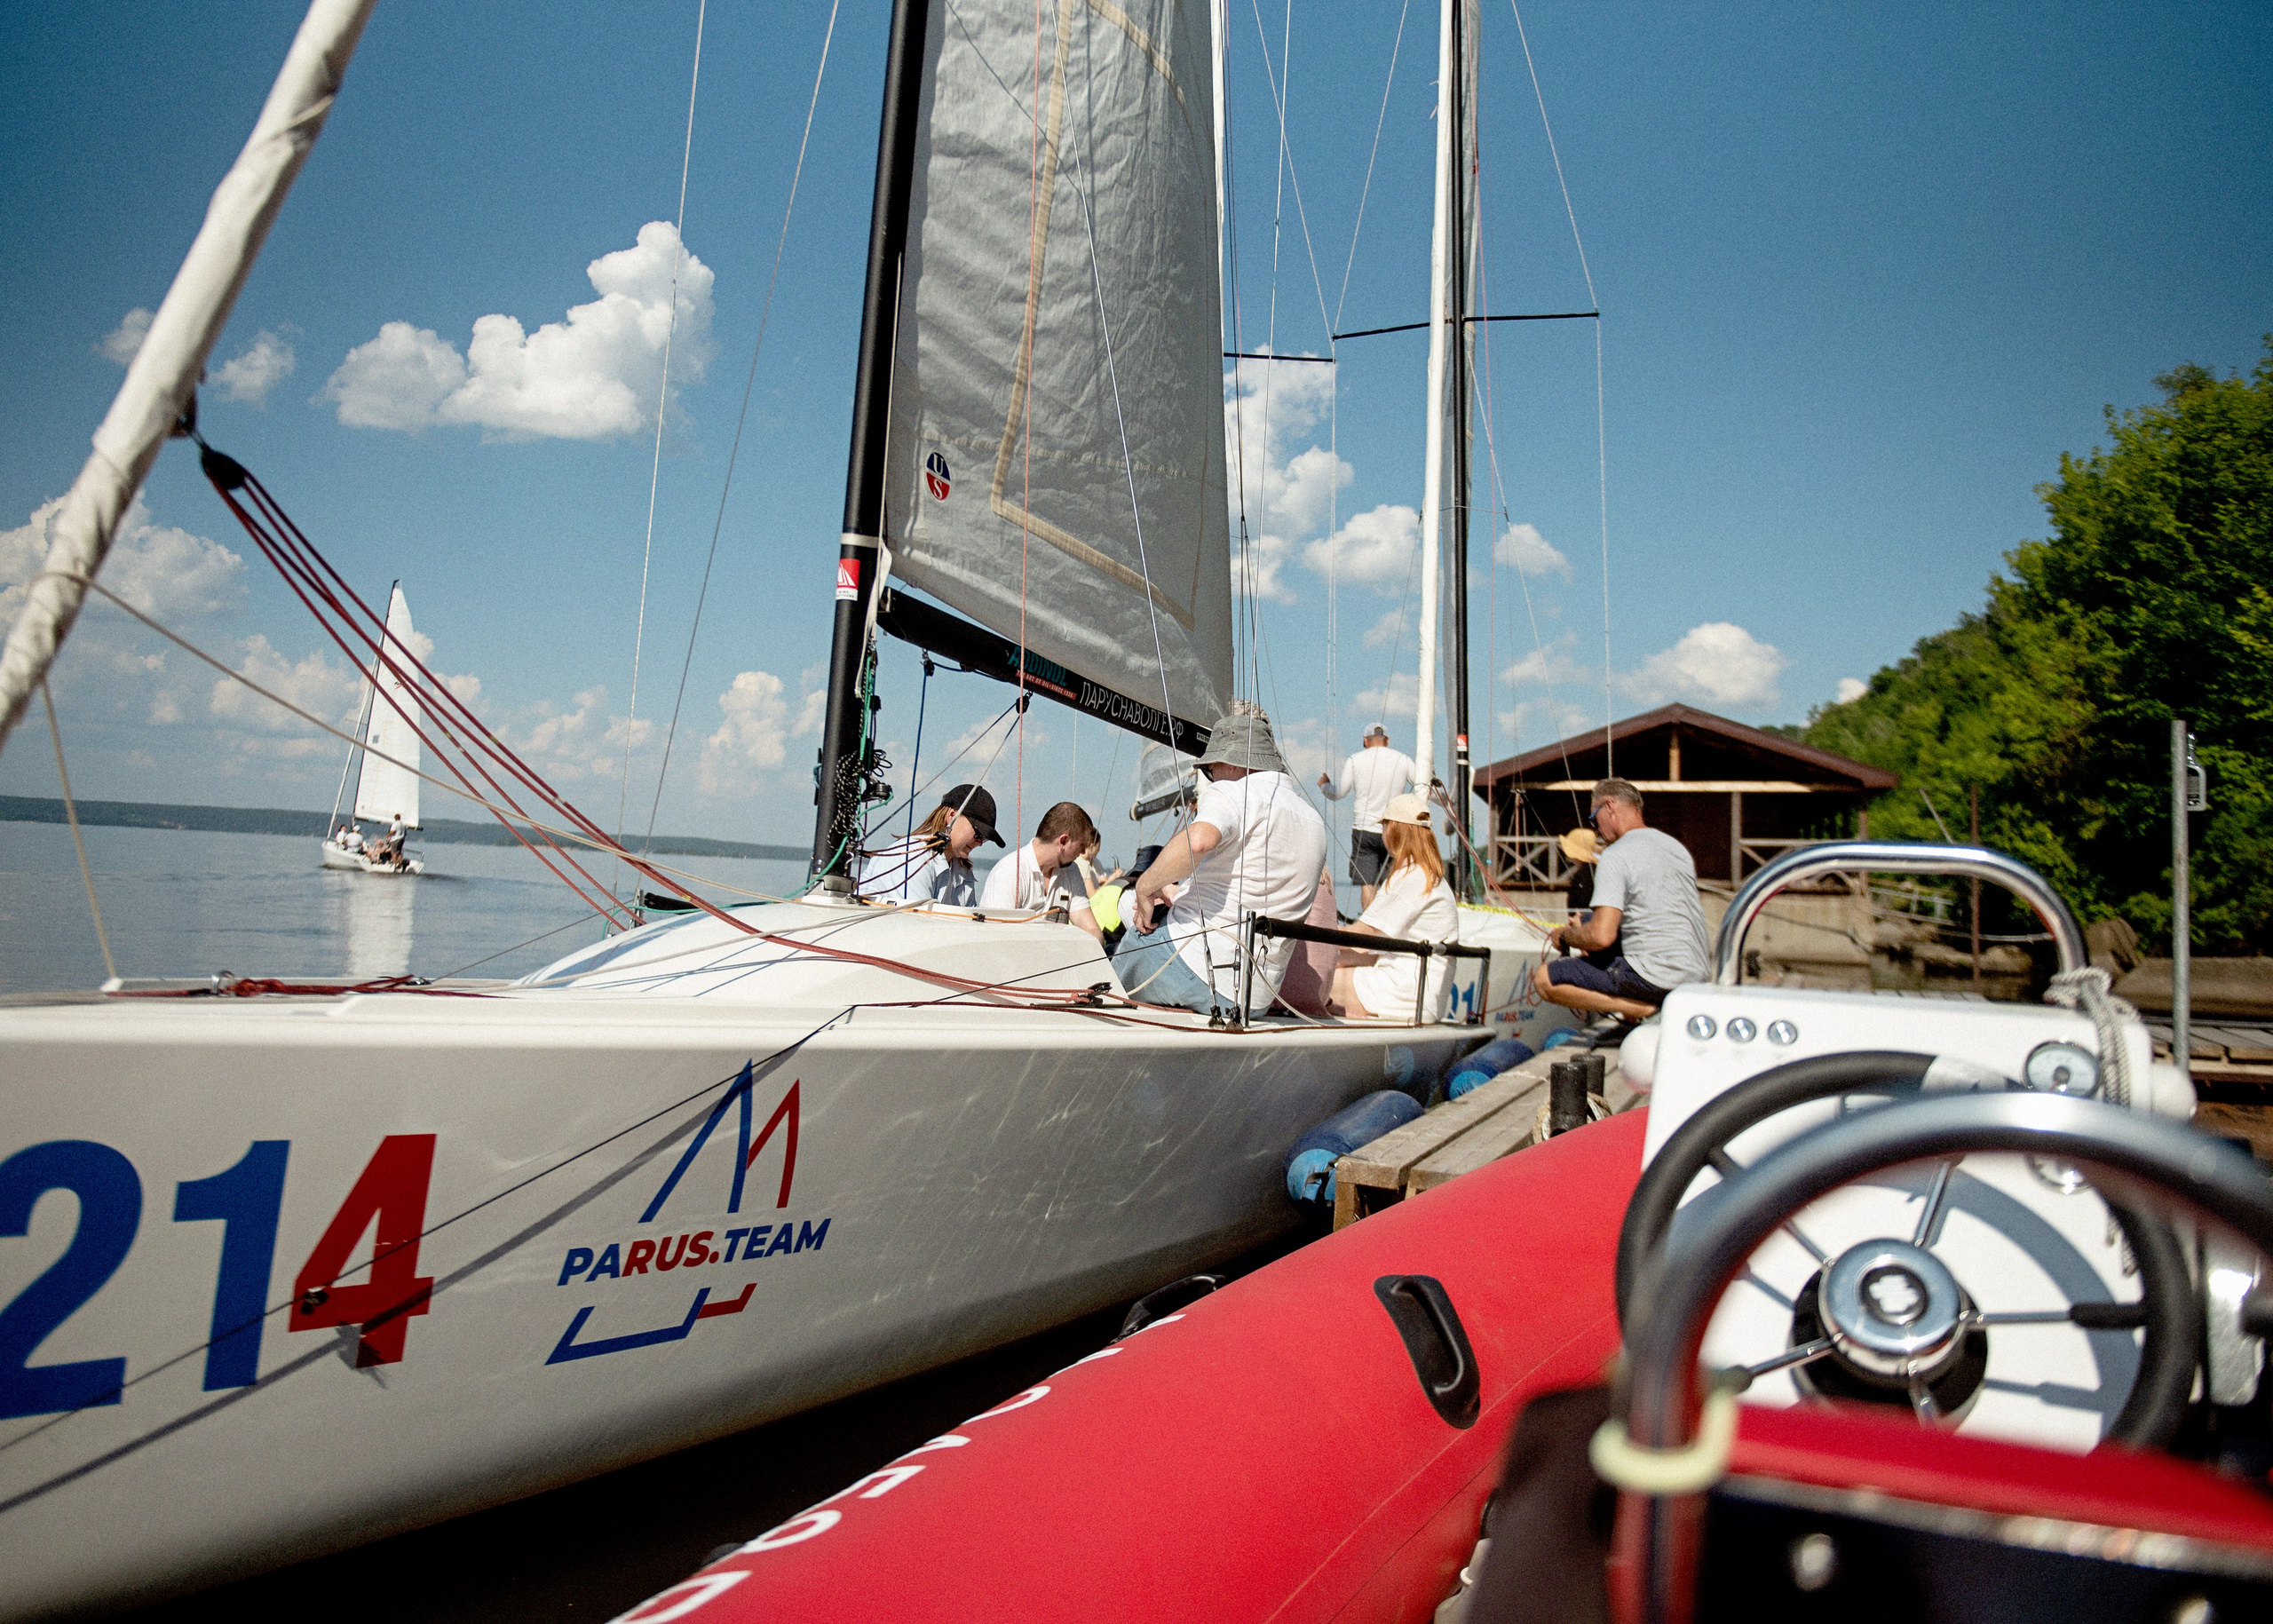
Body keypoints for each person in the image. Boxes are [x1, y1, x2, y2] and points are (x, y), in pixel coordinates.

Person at [1116, 710, 1328, 1017]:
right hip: (1253, 998)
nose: (1211, 779)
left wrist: (1146, 886)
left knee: (1129, 939)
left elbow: (1200, 840)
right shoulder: (1313, 821)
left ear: (1232, 762)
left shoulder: (1233, 791)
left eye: (1211, 771)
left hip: (1191, 967)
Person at [1531, 778, 1710, 1020]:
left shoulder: (1616, 854)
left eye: (1594, 818)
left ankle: (1643, 1009)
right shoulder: (1675, 848)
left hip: (1656, 978)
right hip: (1697, 976)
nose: (1596, 829)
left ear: (1610, 806)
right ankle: (1638, 1011)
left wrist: (1564, 937)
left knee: (1545, 979)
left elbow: (1601, 936)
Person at [1328, 793, 1459, 1020]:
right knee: (1331, 965)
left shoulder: (1411, 876)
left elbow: (1361, 937)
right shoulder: (1429, 876)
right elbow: (1371, 945)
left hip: (1402, 993)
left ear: (1394, 828)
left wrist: (1310, 934)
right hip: (1419, 992)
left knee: (1315, 979)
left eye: (1385, 826)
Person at [1319, 724, 1420, 907]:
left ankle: (1370, 930)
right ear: (1387, 740)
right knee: (1395, 883)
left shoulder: (1355, 760)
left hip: (1364, 831)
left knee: (1368, 884)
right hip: (1394, 829)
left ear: (1365, 741)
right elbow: (1422, 786)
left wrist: (1325, 785)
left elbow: (1339, 793)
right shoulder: (1403, 760)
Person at [857, 784, 1003, 905]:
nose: (980, 843)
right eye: (978, 833)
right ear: (952, 816)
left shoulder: (962, 869)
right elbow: (917, 924)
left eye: (984, 838)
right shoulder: (910, 856)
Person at [980, 802, 1104, 942]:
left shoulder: (1071, 871)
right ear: (1063, 841)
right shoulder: (1009, 872)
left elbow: (1092, 931)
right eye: (1081, 845)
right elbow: (997, 940)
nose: (1082, 852)